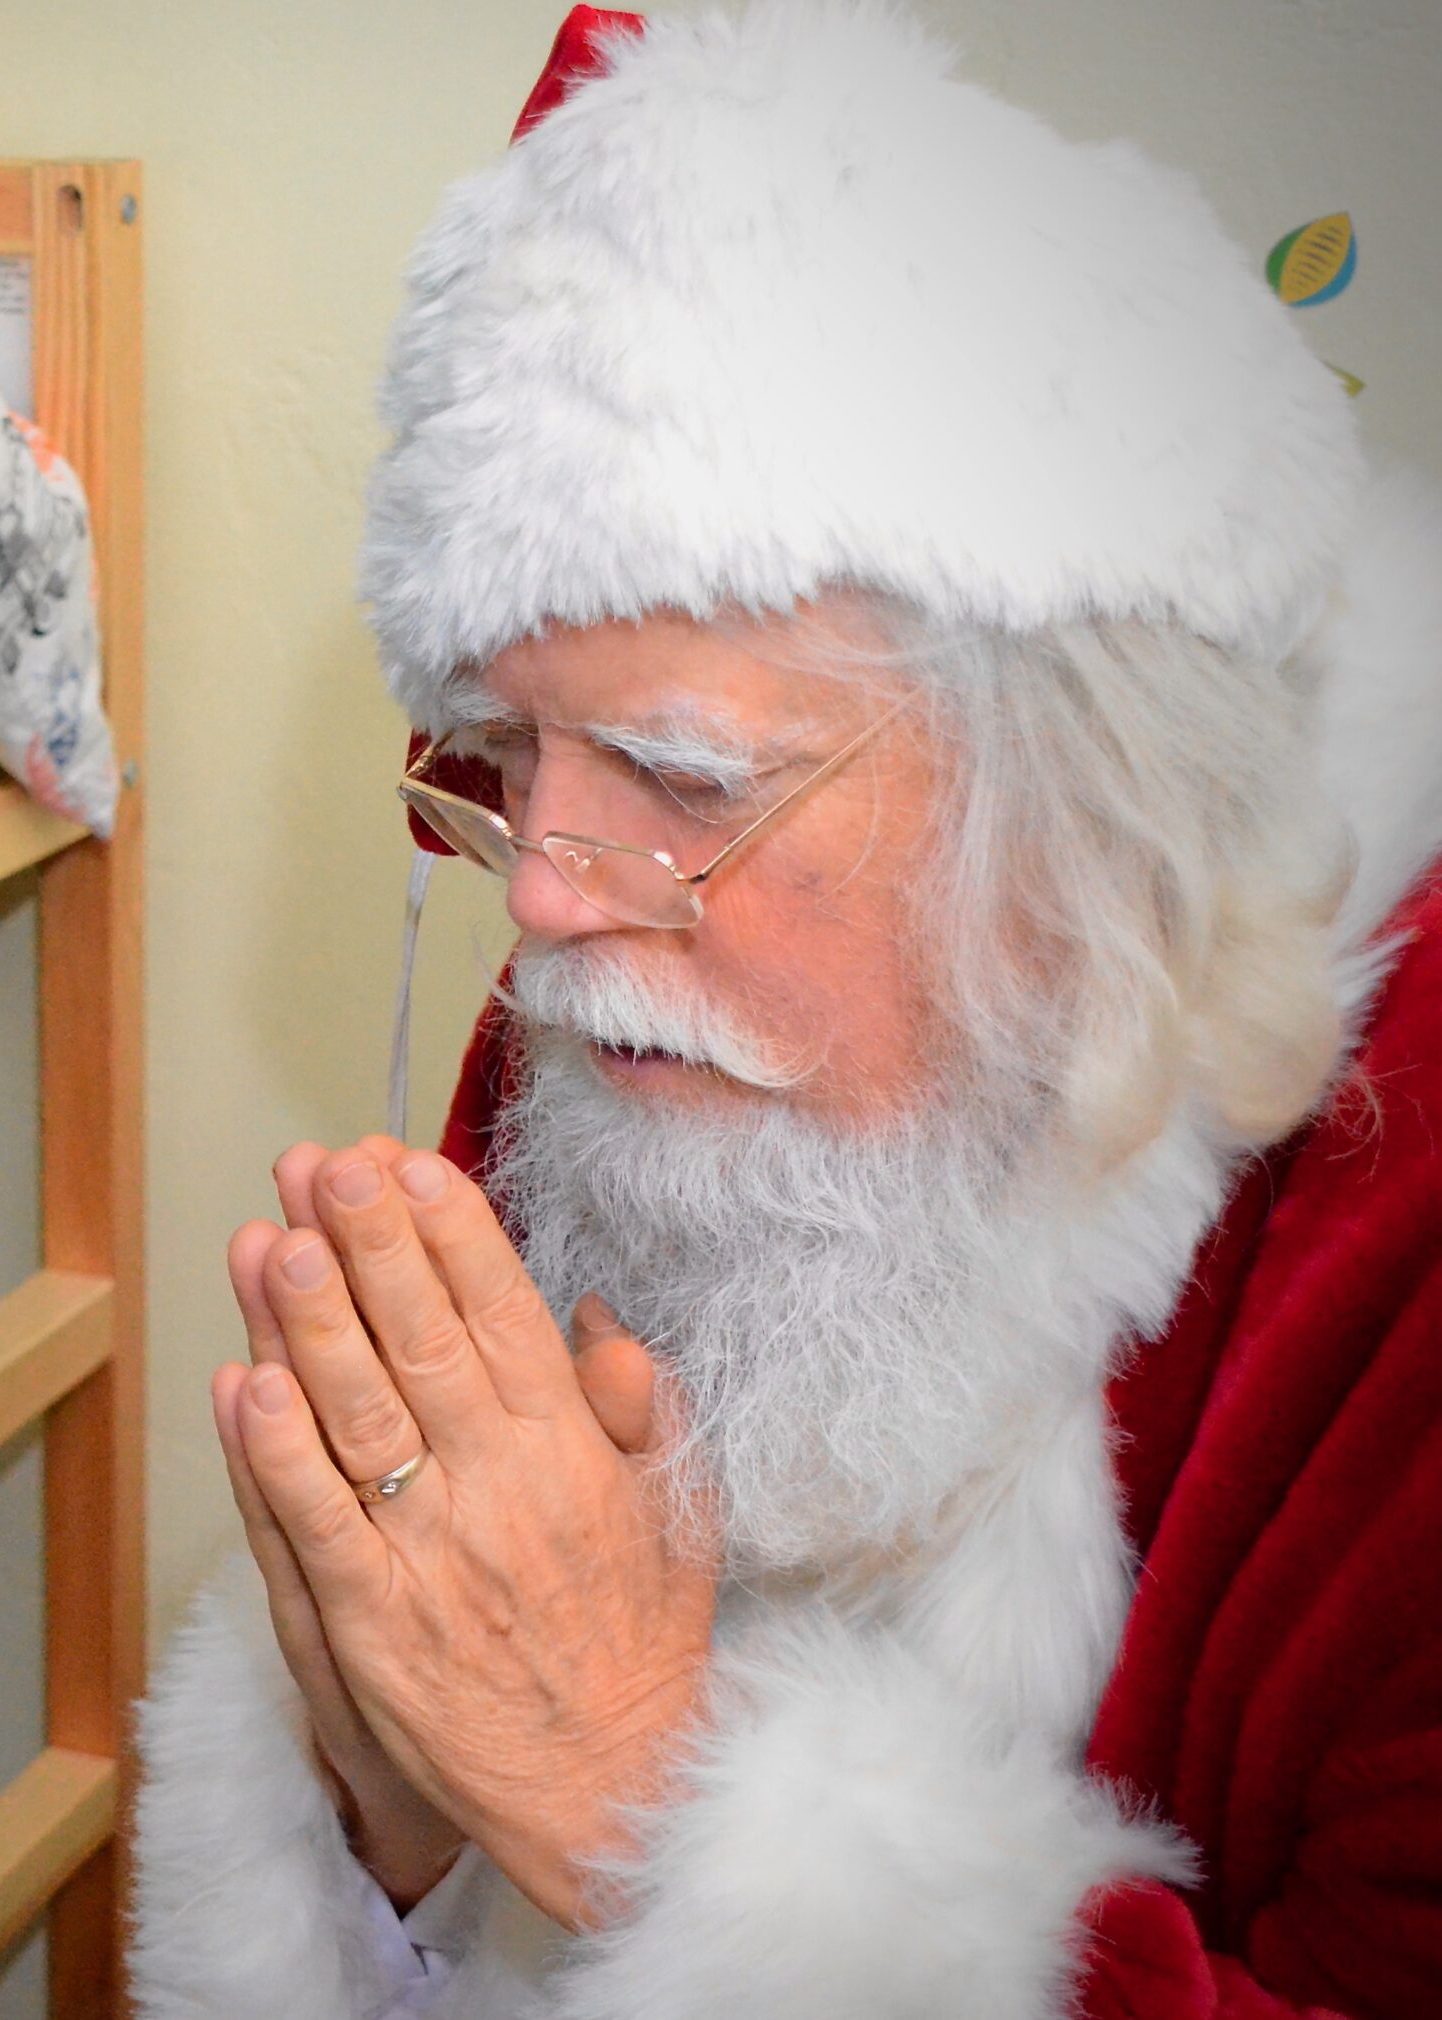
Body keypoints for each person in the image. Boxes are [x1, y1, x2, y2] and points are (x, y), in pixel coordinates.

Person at [131, 5, 1442, 2016]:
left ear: (1072, 805)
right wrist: (383, 1798)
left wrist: (640, 1794)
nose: (545, 906)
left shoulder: (1393, 1249)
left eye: (684, 776)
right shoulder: (612, 1015)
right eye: (500, 755)